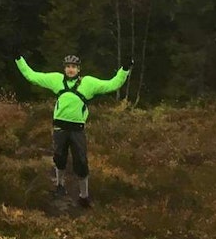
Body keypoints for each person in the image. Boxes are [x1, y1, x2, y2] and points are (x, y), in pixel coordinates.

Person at [15, 53, 131, 207]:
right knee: (59, 158)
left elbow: (112, 84)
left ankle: (84, 196)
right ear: (64, 68)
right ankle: (60, 185)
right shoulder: (56, 80)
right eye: (68, 66)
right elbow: (32, 76)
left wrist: (124, 69)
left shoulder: (88, 83)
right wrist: (19, 59)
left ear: (78, 69)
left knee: (81, 162)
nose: (71, 69)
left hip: (77, 130)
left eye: (74, 67)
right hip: (60, 127)